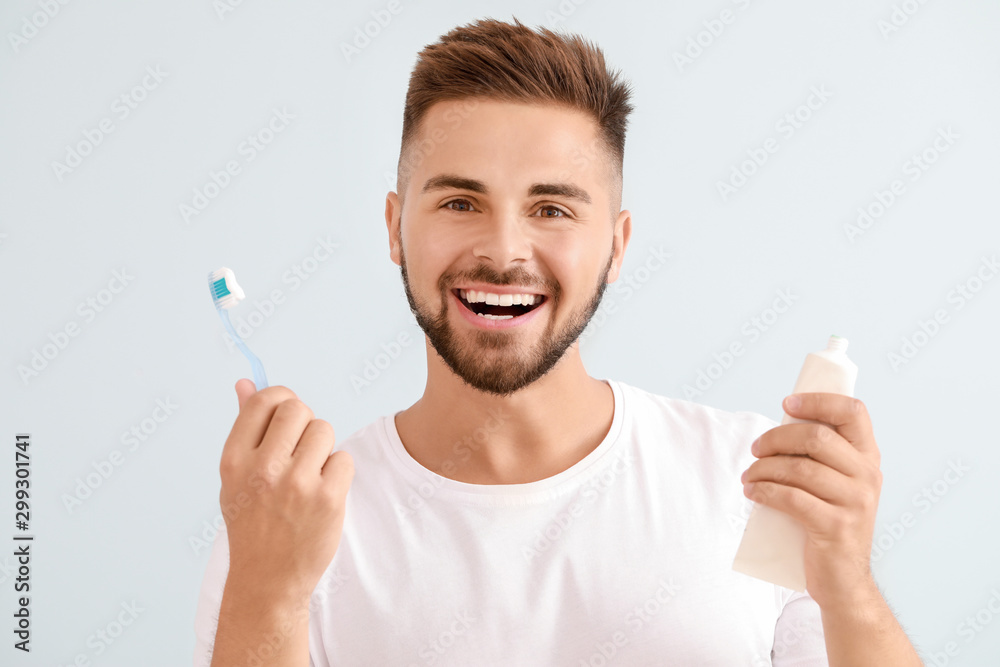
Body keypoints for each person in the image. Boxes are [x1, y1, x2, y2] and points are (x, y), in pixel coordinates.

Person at [194, 17, 923, 666]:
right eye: (459, 201)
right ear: (394, 228)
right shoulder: (285, 520)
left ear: (616, 244)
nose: (505, 250)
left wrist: (849, 586)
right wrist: (268, 592)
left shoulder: (753, 483)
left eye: (550, 208)